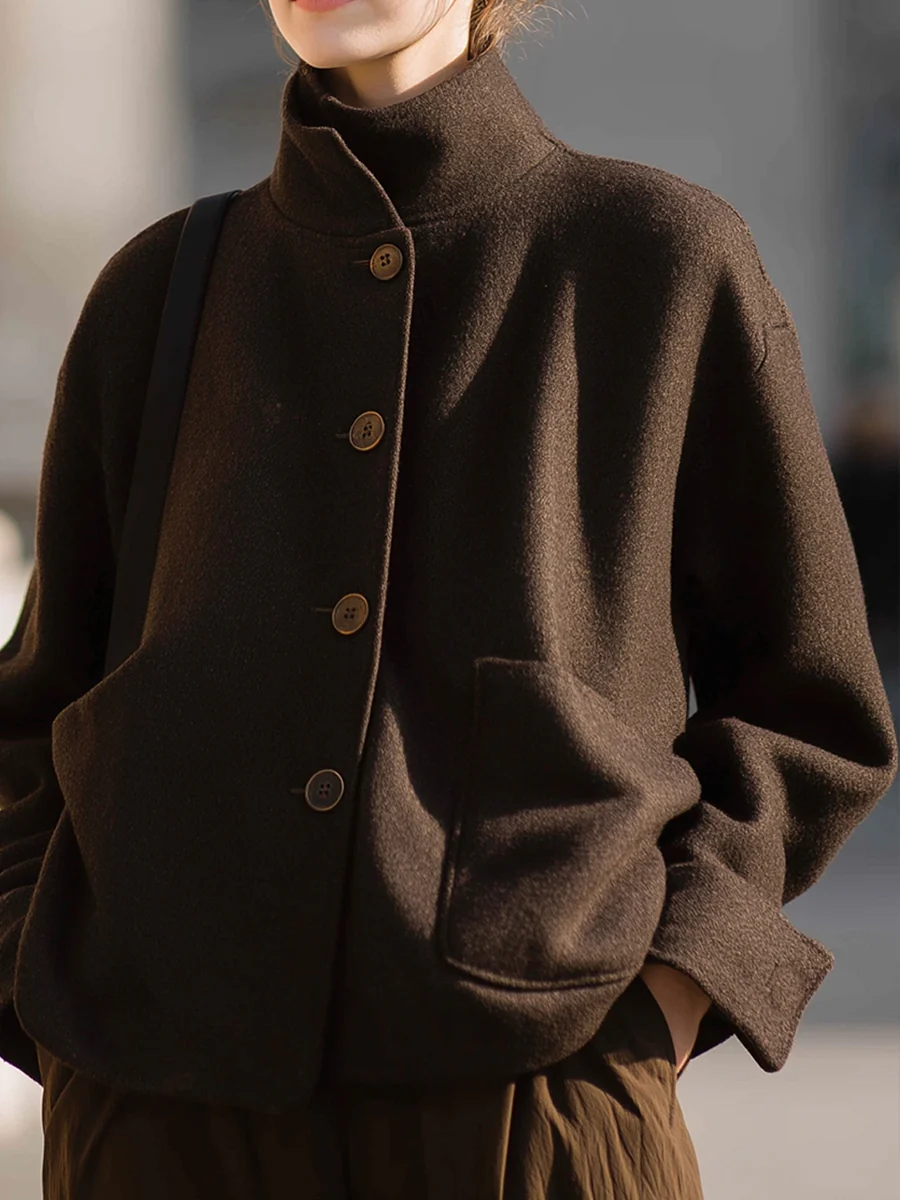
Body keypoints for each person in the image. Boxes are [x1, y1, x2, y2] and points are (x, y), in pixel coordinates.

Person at [1, 0, 897, 1196]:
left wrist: (668, 999)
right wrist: (47, 1000)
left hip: (538, 1113)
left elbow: (810, 705)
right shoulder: (157, 293)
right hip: (157, 1124)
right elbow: (34, 710)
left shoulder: (656, 259)